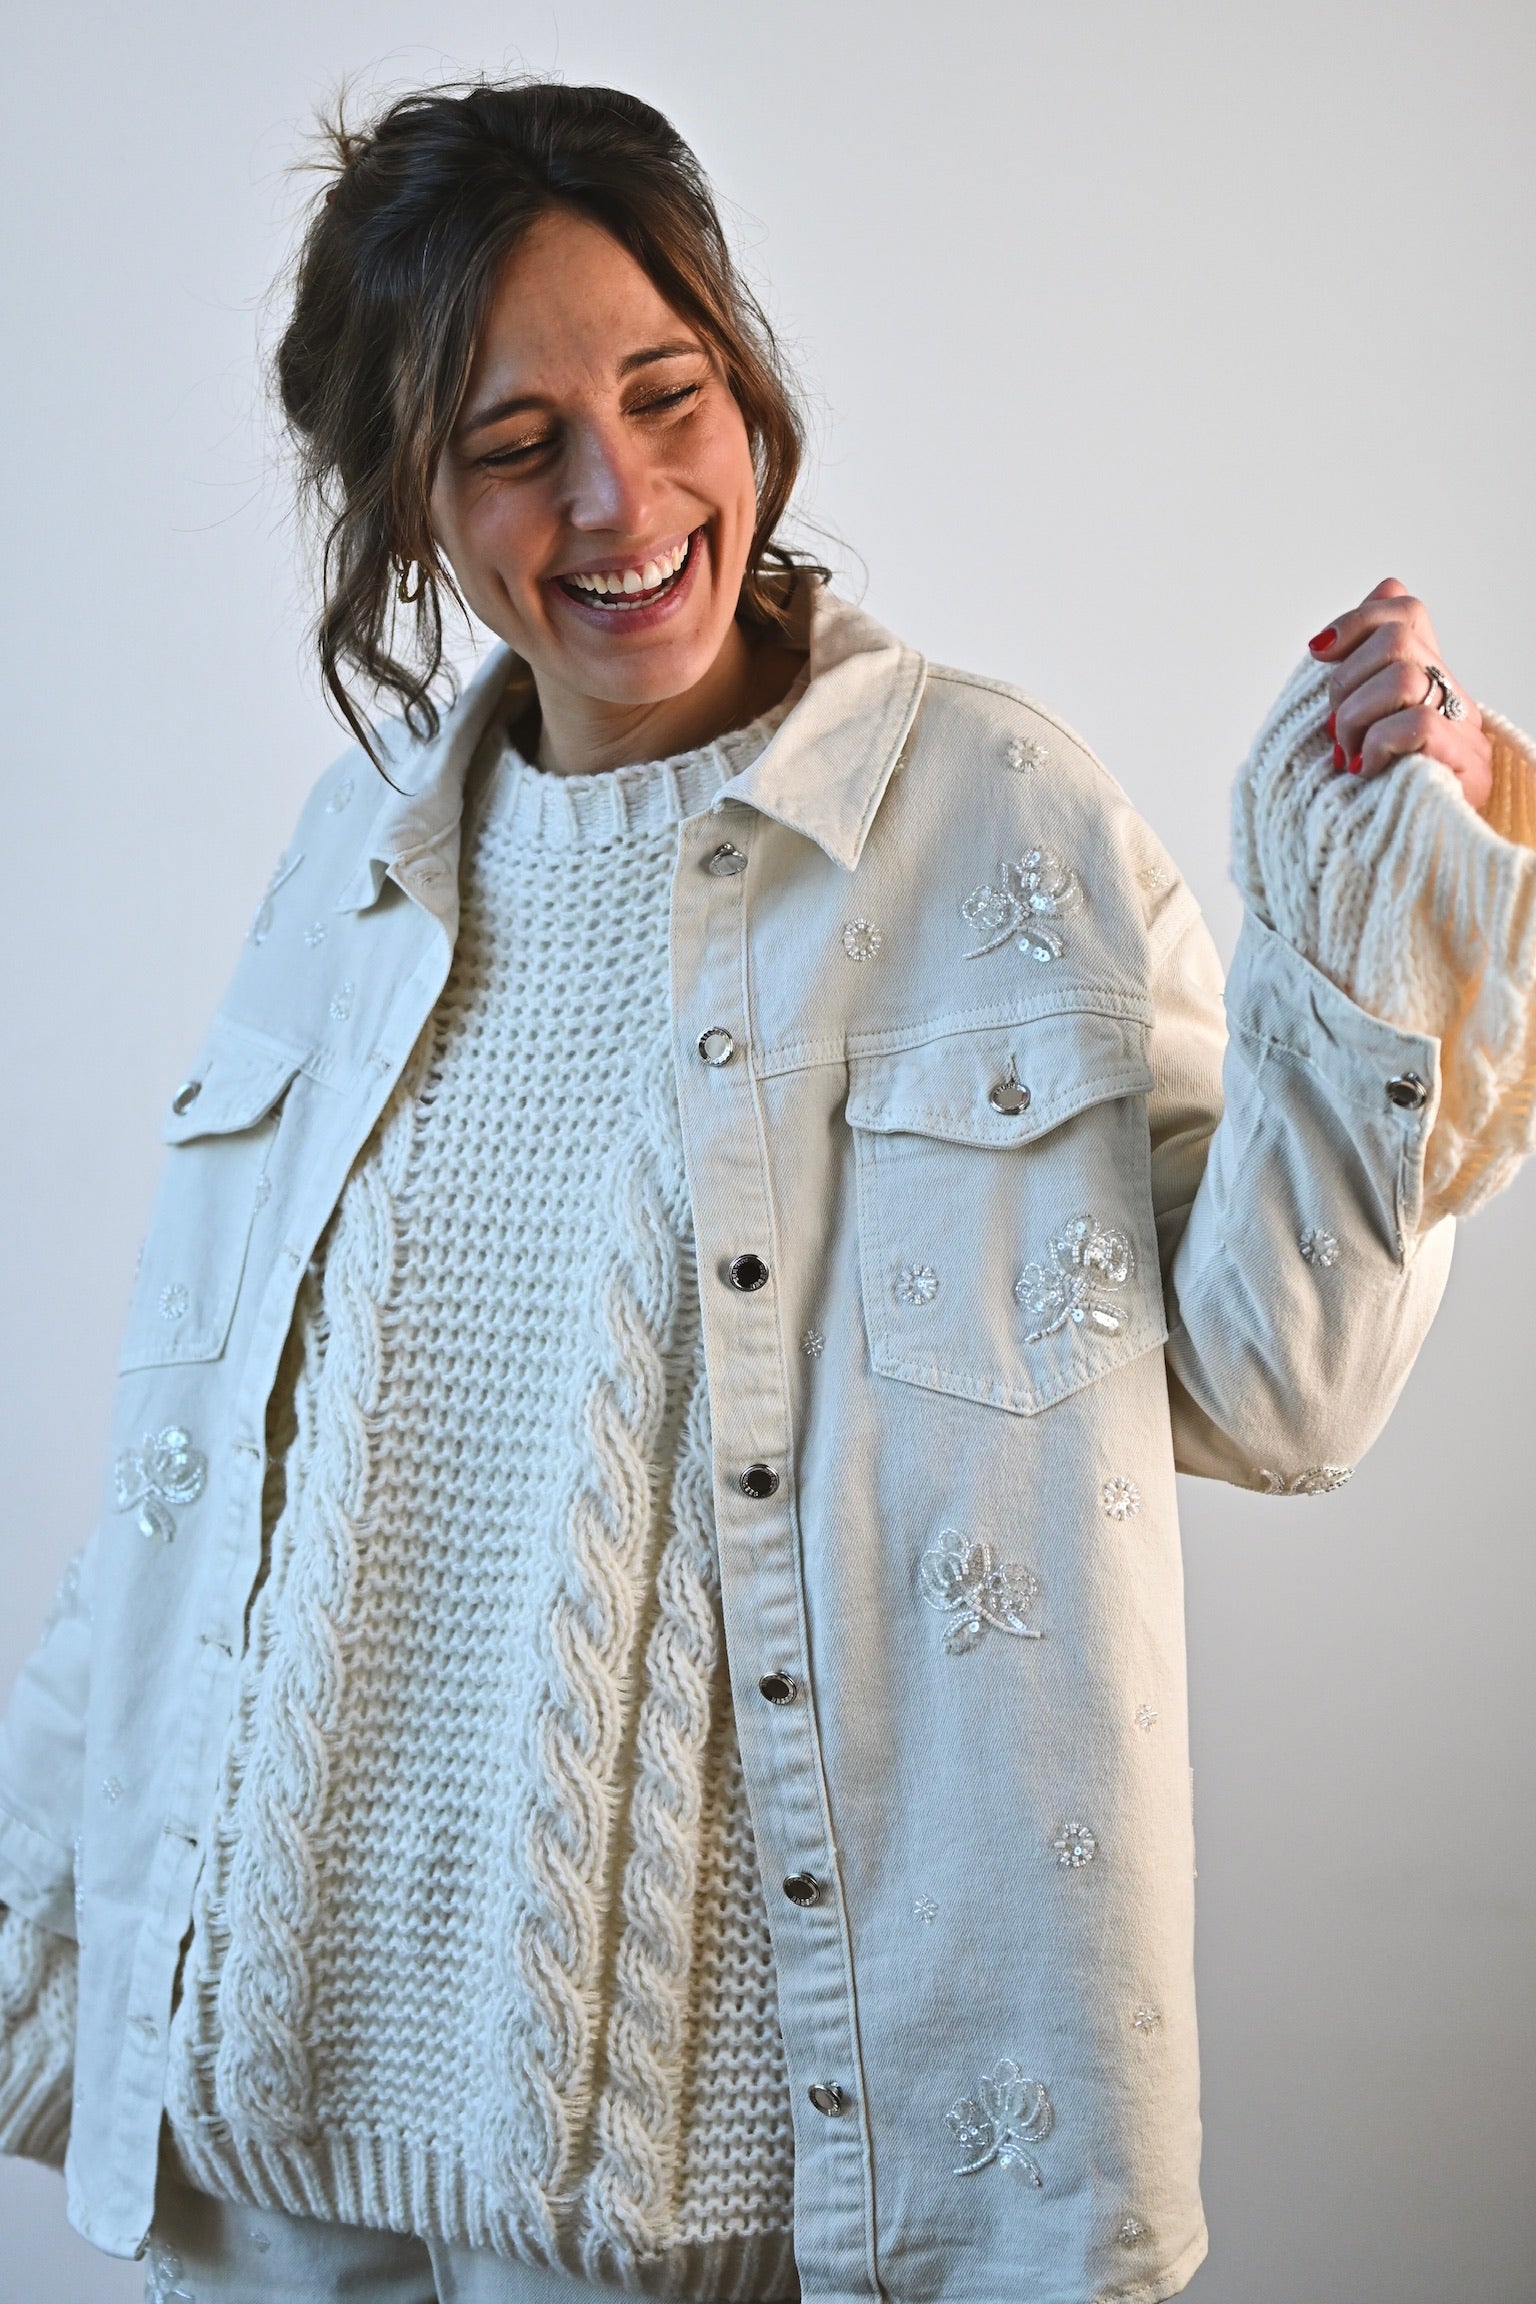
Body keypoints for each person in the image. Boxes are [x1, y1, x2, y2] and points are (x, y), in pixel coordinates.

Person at [1, 76, 1533, 2304]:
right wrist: (48, 1921)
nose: (619, 500)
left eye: (667, 394)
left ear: (747, 391)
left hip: (725, 2200)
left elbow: (1279, 1385)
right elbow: (191, 1478)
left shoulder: (996, 822)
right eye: (517, 443)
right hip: (280, 2162)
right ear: (409, 500)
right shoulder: (350, 870)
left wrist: (1381, 898)